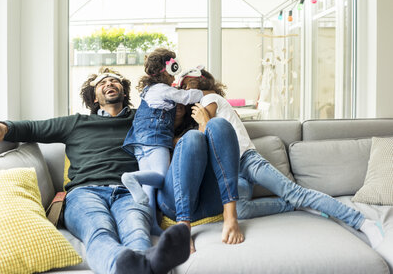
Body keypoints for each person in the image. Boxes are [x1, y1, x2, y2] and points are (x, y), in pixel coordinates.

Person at [0, 68, 191, 274]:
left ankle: (138, 264)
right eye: (102, 82)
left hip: (130, 190)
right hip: (85, 193)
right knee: (99, 231)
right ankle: (124, 263)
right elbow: (34, 128)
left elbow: (174, 116)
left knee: (136, 230)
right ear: (95, 98)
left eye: (114, 80)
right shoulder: (76, 123)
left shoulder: (141, 119)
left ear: (124, 92)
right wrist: (5, 127)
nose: (109, 83)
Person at [178, 66, 385, 249]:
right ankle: (293, 206)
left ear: (194, 87)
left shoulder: (209, 98)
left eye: (186, 88)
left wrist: (202, 121)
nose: (185, 95)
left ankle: (363, 222)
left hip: (248, 161)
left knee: (297, 193)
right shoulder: (218, 102)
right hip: (234, 171)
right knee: (240, 210)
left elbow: (210, 136)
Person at [122, 48, 206, 235]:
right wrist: (201, 93)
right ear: (170, 68)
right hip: (156, 138)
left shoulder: (149, 90)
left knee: (149, 186)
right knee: (161, 177)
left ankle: (152, 225)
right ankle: (131, 177)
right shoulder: (163, 89)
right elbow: (185, 97)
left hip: (138, 141)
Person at [155, 103, 245, 253]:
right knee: (193, 137)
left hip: (211, 202)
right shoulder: (153, 127)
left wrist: (205, 122)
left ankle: (230, 215)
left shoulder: (199, 120)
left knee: (219, 123)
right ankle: (183, 225)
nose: (177, 103)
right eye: (173, 96)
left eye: (182, 96)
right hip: (175, 203)